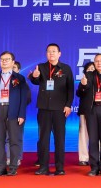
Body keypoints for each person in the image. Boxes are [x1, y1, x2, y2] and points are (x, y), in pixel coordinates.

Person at [29, 43, 74, 176]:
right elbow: (35, 81)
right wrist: (35, 76)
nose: (51, 53)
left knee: (59, 138)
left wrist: (68, 105)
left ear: (59, 54)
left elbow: (70, 89)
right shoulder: (41, 67)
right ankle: (43, 166)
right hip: (44, 108)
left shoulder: (66, 68)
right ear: (46, 54)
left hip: (59, 109)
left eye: (54, 51)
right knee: (43, 139)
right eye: (49, 51)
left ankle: (60, 167)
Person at [0, 51, 31, 176]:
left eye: (7, 59)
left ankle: (13, 167)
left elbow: (23, 98)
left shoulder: (19, 78)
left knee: (14, 140)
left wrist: (22, 114)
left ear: (13, 62)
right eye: (2, 59)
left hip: (13, 110)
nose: (4, 61)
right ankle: (1, 167)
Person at [77, 61, 95, 166]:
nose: (91, 70)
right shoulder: (83, 80)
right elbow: (79, 93)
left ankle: (97, 157)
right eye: (89, 69)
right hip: (85, 110)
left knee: (98, 135)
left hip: (98, 111)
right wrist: (83, 85)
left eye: (93, 68)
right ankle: (83, 158)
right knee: (83, 134)